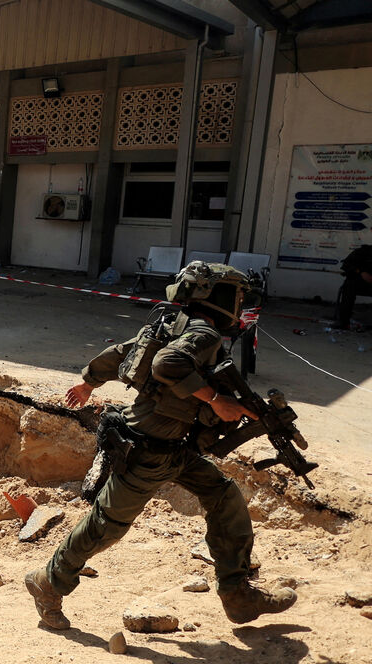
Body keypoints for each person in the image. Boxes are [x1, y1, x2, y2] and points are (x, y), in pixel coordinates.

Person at [25, 262, 297, 630]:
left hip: (175, 447)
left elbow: (123, 353)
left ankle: (238, 595)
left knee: (224, 496)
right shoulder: (204, 334)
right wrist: (216, 399)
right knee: (107, 525)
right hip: (150, 451)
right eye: (237, 294)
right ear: (216, 296)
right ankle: (48, 583)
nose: (240, 301)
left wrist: (89, 382)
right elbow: (167, 364)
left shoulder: (173, 323)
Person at [335, 244, 372, 329]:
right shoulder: (364, 251)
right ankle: (343, 322)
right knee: (349, 285)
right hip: (362, 284)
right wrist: (361, 272)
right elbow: (346, 265)